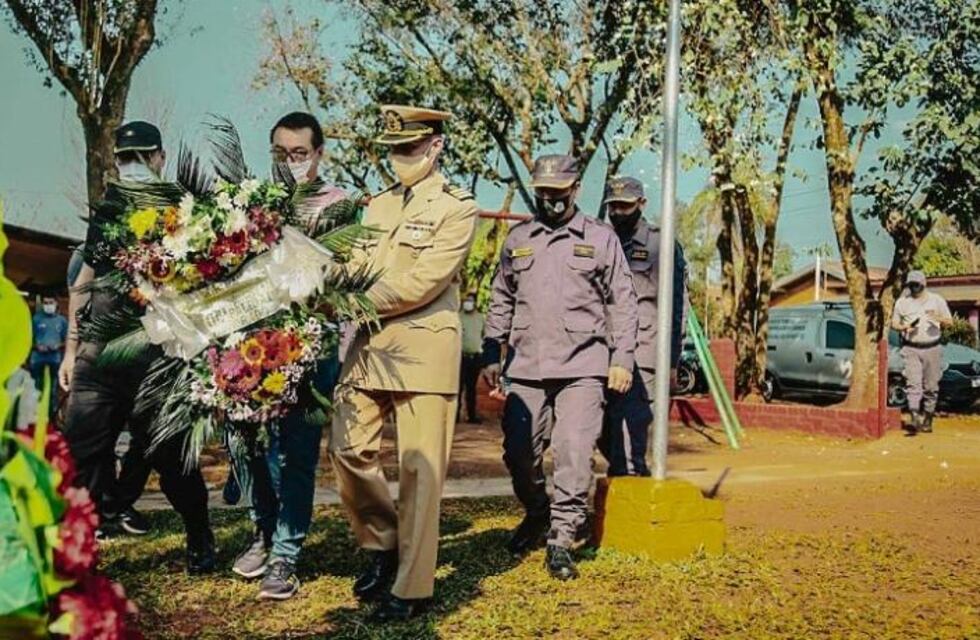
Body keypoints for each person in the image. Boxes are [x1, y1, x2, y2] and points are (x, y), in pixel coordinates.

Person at [330, 104, 478, 621]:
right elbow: (351, 263)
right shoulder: (377, 206)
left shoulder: (459, 207)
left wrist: (353, 301)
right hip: (369, 348)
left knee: (420, 471)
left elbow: (424, 282)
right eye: (393, 150)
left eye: (409, 149)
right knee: (347, 449)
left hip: (423, 348)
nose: (399, 159)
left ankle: (412, 589)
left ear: (435, 147)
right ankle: (382, 544)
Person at [60, 120, 215, 572]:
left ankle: (198, 533)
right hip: (98, 356)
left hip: (157, 359)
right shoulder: (108, 209)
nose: (134, 166)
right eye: (126, 158)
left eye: (143, 156)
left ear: (160, 158)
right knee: (81, 455)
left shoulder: (186, 212)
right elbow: (82, 283)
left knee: (171, 458)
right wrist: (72, 348)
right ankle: (78, 556)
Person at [481, 154, 638, 580]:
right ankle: (538, 512)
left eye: (558, 193)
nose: (550, 200)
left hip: (583, 367)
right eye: (543, 193)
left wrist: (622, 358)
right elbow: (502, 298)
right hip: (527, 365)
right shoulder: (519, 240)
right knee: (519, 453)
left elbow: (623, 302)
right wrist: (491, 351)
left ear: (576, 190)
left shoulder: (601, 239)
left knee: (573, 450)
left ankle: (561, 537)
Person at [226, 111, 345, 601]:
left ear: (319, 154)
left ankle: (285, 554)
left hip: (313, 348)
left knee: (295, 453)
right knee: (249, 447)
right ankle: (264, 530)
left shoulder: (341, 207)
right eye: (281, 154)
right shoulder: (255, 203)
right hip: (253, 344)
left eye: (299, 154)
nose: (290, 162)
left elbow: (343, 275)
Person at [599, 176, 687, 476]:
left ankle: (630, 504)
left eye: (625, 206)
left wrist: (672, 360)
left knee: (627, 440)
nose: (619, 213)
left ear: (641, 204)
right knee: (598, 432)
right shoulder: (600, 241)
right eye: (614, 207)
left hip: (642, 354)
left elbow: (676, 307)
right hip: (598, 352)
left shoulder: (661, 245)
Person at [67, 243, 154, 537]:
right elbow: (78, 295)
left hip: (148, 358)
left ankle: (118, 503)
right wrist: (70, 352)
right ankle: (97, 515)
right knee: (91, 444)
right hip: (97, 362)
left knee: (151, 442)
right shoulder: (88, 251)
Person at [892, 270, 954, 434]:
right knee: (913, 384)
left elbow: (950, 322)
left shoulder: (937, 300)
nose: (913, 288)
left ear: (924, 284)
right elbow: (894, 323)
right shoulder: (902, 302)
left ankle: (928, 417)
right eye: (911, 285)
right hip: (911, 348)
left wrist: (938, 318)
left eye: (916, 285)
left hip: (932, 347)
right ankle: (914, 415)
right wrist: (904, 327)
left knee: (931, 387)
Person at [30, 295, 68, 412]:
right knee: (36, 388)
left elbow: (67, 340)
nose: (48, 305)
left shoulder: (62, 321)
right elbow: (28, 338)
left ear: (56, 303)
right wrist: (37, 346)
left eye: (50, 302)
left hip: (55, 359)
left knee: (53, 390)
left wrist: (58, 345)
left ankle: (51, 416)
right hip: (37, 359)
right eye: (45, 303)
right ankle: (34, 415)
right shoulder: (36, 319)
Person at [458, 292, 485, 424]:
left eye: (471, 300)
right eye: (466, 300)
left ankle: (471, 415)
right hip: (460, 357)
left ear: (475, 303)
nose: (468, 303)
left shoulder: (480, 318)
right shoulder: (458, 317)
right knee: (458, 387)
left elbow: (484, 336)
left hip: (475, 357)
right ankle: (455, 416)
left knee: (471, 388)